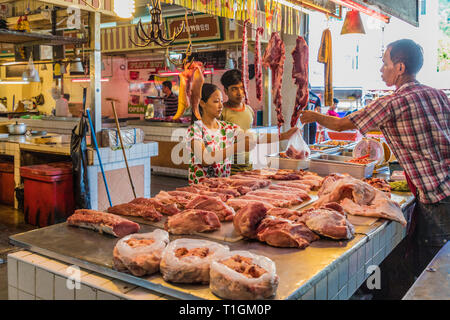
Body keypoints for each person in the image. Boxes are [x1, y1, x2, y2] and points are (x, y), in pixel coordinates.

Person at [300, 39, 450, 283]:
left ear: (400, 68)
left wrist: (313, 116)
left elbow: (341, 123)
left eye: (385, 63)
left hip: (437, 196)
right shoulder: (438, 95)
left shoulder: (392, 102)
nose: (382, 69)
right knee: (443, 263)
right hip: (446, 187)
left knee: (433, 270)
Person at [220, 69, 297, 174]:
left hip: (247, 168)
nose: (239, 93)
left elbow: (256, 137)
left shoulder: (249, 110)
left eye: (242, 88)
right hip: (227, 169)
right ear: (225, 91)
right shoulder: (221, 112)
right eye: (234, 89)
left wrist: (284, 136)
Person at [186, 83, 255, 184]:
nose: (221, 105)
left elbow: (250, 137)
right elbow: (205, 159)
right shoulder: (195, 130)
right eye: (216, 101)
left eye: (221, 101)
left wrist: (283, 136)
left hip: (222, 188)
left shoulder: (227, 127)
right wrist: (237, 147)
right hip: (201, 192)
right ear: (202, 103)